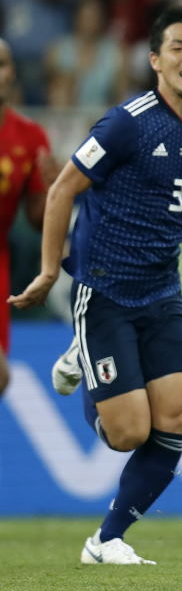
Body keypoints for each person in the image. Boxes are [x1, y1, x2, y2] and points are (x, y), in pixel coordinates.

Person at [9, 5, 182, 565]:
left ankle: (105, 541)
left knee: (178, 418)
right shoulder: (127, 122)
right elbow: (63, 190)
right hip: (105, 290)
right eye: (179, 47)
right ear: (156, 61)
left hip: (163, 294)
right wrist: (46, 270)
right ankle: (82, 359)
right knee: (129, 434)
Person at [0, 37, 52, 399]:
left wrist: (54, 192)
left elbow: (37, 218)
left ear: (11, 73)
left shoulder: (30, 137)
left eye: (1, 63)